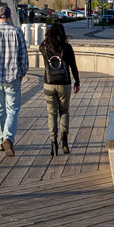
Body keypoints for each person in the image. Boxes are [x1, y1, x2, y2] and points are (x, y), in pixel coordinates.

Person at [0, 4, 28, 157]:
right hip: (12, 77)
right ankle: (8, 136)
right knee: (12, 109)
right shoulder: (17, 32)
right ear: (9, 17)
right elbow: (23, 57)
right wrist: (22, 73)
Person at [37, 20, 80, 156]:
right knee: (64, 111)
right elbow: (73, 66)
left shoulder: (43, 47)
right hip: (64, 84)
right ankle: (65, 142)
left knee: (52, 114)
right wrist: (77, 82)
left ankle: (53, 144)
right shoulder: (67, 48)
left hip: (49, 83)